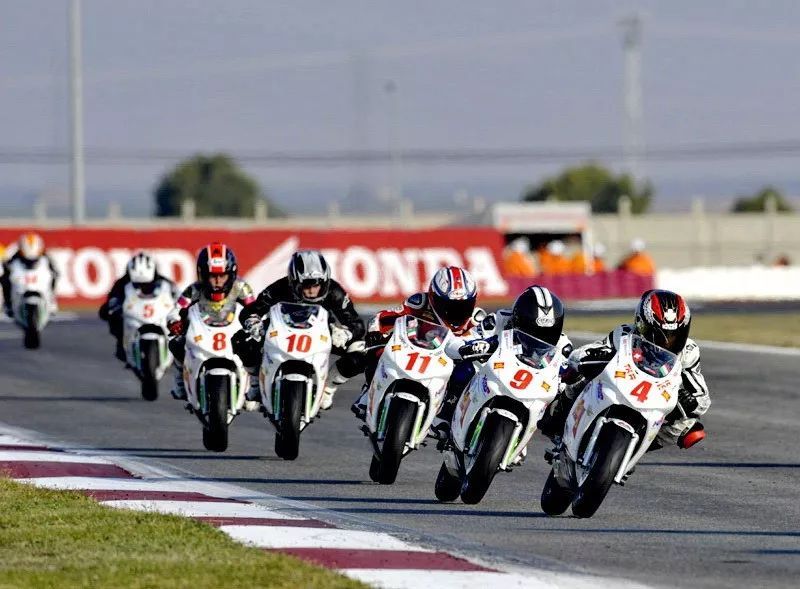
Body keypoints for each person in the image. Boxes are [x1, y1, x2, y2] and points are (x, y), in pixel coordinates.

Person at [538, 289, 709, 450]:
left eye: (674, 336)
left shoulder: (689, 352)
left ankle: (637, 448)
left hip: (658, 397)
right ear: (642, 325)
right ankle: (558, 419)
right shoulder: (624, 335)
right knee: (577, 376)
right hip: (620, 385)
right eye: (660, 334)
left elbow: (703, 398)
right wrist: (591, 357)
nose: (667, 342)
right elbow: (579, 355)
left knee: (689, 425)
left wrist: (692, 401)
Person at [433, 285, 573, 442]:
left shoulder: (563, 345)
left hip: (533, 383)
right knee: (467, 366)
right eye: (532, 329)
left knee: (564, 396)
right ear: (517, 319)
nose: (539, 336)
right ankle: (446, 414)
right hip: (497, 372)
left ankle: (559, 440)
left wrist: (568, 378)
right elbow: (469, 340)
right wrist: (474, 347)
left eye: (548, 332)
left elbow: (569, 369)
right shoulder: (497, 321)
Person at [350, 265, 485, 422]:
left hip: (448, 362)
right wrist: (376, 333)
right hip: (414, 350)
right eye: (449, 306)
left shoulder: (477, 320)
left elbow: (486, 346)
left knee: (470, 372)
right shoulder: (419, 303)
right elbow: (385, 317)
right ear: (433, 298)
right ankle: (369, 393)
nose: (456, 313)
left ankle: (446, 416)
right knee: (378, 350)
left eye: (463, 307)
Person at [237, 249, 366, 410]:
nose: (312, 290)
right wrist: (254, 323)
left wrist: (346, 333)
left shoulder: (334, 291)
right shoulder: (280, 288)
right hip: (282, 333)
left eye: (316, 285)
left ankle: (328, 388)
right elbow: (250, 311)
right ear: (294, 282)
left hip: (322, 334)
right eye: (306, 285)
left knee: (361, 352)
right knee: (241, 339)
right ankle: (256, 382)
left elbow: (356, 324)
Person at [167, 242, 256, 401]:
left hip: (233, 331)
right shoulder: (194, 290)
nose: (217, 281)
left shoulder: (241, 288)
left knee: (255, 345)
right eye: (212, 276)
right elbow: (176, 310)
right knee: (176, 343)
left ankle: (254, 385)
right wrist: (175, 322)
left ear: (231, 274)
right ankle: (180, 382)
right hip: (203, 331)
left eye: (222, 276)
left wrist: (256, 323)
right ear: (203, 275)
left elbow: (255, 309)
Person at [98, 251, 179, 362]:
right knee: (113, 317)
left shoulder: (166, 283)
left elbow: (179, 297)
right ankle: (121, 342)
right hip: (133, 316)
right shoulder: (121, 283)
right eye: (138, 283)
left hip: (158, 314)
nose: (143, 286)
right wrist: (112, 307)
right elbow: (108, 305)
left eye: (146, 283)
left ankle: (178, 347)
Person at [1, 232, 59, 318]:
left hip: (39, 283)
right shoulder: (15, 257)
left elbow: (55, 272)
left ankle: (51, 300)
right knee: (5, 280)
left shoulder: (45, 258)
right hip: (21, 282)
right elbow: (7, 267)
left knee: (53, 278)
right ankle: (8, 303)